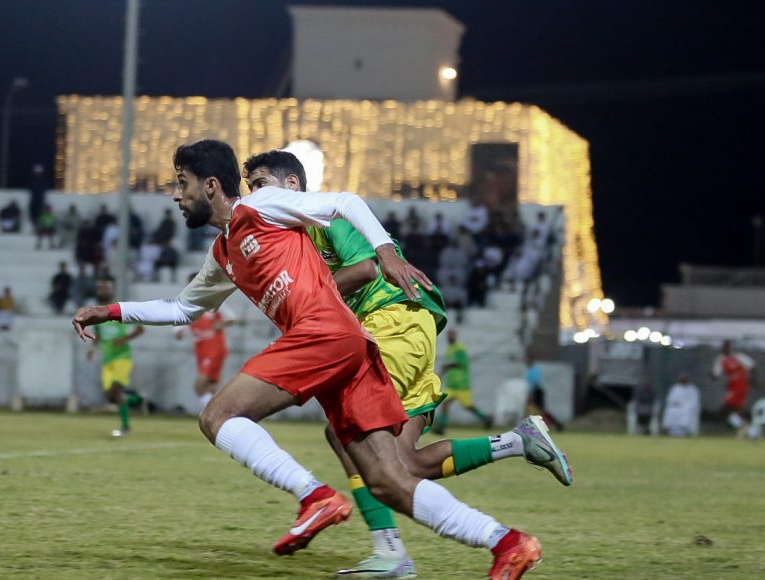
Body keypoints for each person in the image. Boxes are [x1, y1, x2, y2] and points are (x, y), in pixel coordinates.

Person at [73, 140, 544, 578]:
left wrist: (385, 252)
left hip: (324, 332)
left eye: (182, 183)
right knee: (388, 481)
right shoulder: (223, 254)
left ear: (210, 185)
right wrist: (110, 312)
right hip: (351, 346)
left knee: (217, 416)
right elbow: (182, 308)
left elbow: (346, 203)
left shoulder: (260, 205)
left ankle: (314, 497)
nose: (176, 196)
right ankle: (507, 542)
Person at [245, 149, 568, 576]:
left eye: (260, 185)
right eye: (249, 188)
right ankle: (517, 441)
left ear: (292, 185)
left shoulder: (321, 218)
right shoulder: (293, 239)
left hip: (391, 322)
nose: (253, 196)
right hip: (407, 329)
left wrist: (308, 301)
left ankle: (390, 551)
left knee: (345, 432)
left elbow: (364, 269)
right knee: (404, 464)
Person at [86, 276, 145, 437]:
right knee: (110, 397)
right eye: (100, 289)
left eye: (105, 288)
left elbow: (140, 329)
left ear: (111, 290)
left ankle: (126, 428)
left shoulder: (120, 310)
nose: (102, 291)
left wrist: (123, 339)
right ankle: (138, 400)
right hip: (107, 359)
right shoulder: (96, 313)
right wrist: (92, 347)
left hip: (122, 357)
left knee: (116, 391)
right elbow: (98, 334)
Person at [175, 273, 237, 413]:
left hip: (215, 346)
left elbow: (231, 318)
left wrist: (221, 323)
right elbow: (178, 328)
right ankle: (222, 412)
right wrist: (178, 333)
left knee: (200, 385)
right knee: (211, 386)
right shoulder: (186, 304)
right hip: (200, 348)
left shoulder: (213, 299)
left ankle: (212, 412)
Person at [433, 328, 494, 434]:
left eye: (452, 335)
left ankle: (485, 419)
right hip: (452, 384)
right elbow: (448, 365)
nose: (450, 337)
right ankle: (441, 427)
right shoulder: (450, 349)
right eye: (448, 335)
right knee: (445, 403)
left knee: (468, 406)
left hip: (462, 384)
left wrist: (447, 366)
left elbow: (462, 363)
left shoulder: (460, 348)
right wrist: (441, 373)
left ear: (455, 336)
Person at [711, 340, 756, 433]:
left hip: (741, 384)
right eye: (723, 347)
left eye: (726, 346)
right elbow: (716, 375)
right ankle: (749, 429)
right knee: (734, 409)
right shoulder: (720, 359)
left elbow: (752, 367)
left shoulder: (739, 356)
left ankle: (746, 428)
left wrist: (753, 380)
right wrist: (712, 375)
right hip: (732, 386)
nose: (724, 349)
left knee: (726, 408)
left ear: (730, 347)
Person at [525, 353, 564, 431]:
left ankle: (556, 424)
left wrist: (531, 394)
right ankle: (531, 426)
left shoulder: (533, 370)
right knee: (535, 409)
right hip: (535, 391)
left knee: (540, 410)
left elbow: (535, 382)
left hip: (536, 391)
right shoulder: (530, 370)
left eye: (527, 359)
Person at [662, 372, 701, 437]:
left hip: (687, 407)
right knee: (670, 410)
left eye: (684, 379)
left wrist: (685, 405)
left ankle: (685, 430)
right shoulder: (675, 388)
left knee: (687, 410)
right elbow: (670, 400)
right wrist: (676, 403)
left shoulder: (692, 389)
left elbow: (695, 401)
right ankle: (670, 430)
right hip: (676, 407)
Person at [29, 163, 48, 228]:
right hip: (35, 198)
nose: (38, 173)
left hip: (39, 198)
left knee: (39, 211)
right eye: (37, 172)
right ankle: (35, 222)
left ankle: (38, 223)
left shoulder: (43, 180)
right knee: (33, 210)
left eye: (39, 172)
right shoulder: (32, 180)